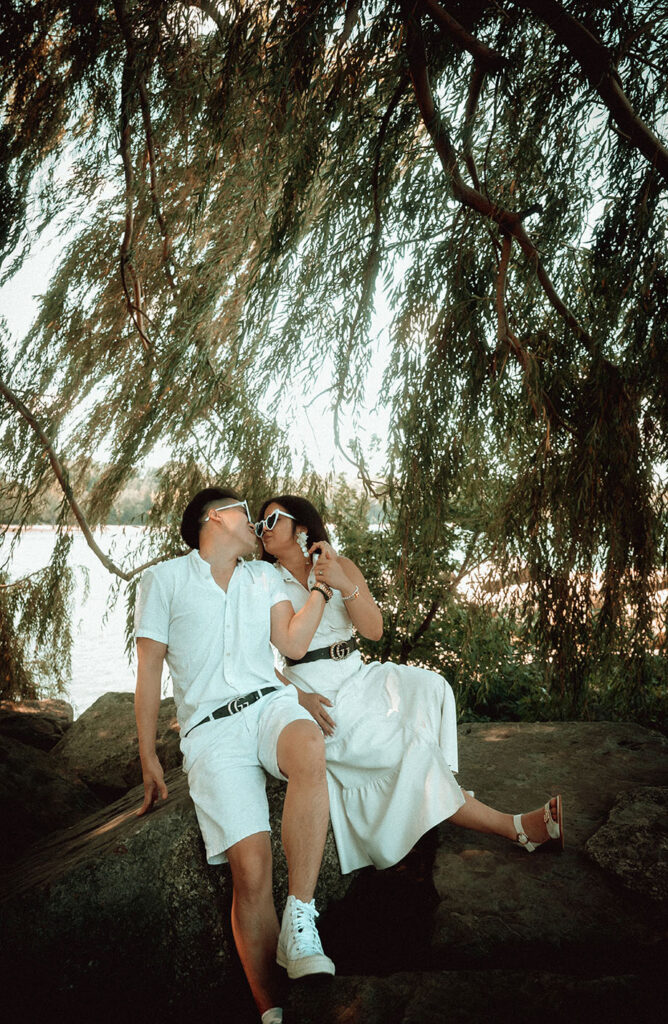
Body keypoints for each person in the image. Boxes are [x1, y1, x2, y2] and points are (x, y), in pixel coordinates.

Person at [256, 495, 564, 876]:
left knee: (432, 688)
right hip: (319, 688)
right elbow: (252, 661)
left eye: (271, 521)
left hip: (357, 672)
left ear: (301, 526)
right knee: (409, 747)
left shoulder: (341, 564)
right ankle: (515, 828)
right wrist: (297, 696)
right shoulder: (264, 580)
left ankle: (437, 795)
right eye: (258, 526)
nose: (262, 531)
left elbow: (373, 630)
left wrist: (340, 581)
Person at [134, 487, 338, 1024]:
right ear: (212, 519)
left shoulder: (263, 577)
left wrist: (318, 590)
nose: (255, 523)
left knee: (309, 747)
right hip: (210, 735)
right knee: (250, 870)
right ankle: (274, 1013)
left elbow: (292, 645)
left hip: (269, 708)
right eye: (245, 514)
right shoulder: (163, 581)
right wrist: (148, 756)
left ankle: (300, 917)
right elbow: (149, 670)